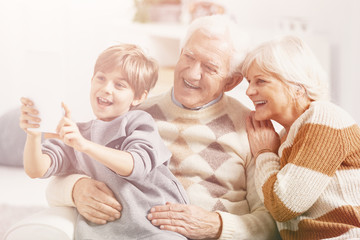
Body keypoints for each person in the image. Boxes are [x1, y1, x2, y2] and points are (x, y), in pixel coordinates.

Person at [46, 15, 280, 239]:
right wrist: (76, 188)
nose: (192, 72)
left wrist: (216, 226)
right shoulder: (133, 114)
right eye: (188, 56)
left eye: (209, 67)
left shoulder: (252, 129)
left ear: (231, 81)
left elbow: (272, 222)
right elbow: (58, 173)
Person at [19, 44, 189, 240]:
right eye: (101, 78)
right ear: (91, 81)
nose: (106, 88)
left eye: (120, 85)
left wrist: (85, 145)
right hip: (107, 233)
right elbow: (36, 170)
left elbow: (136, 165)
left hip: (157, 228)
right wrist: (33, 134)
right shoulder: (77, 134)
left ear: (139, 97)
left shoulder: (138, 122)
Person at [243, 35, 360, 239]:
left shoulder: (324, 117)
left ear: (296, 87)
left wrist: (263, 154)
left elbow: (283, 206)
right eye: (249, 82)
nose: (249, 91)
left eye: (260, 81)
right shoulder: (283, 137)